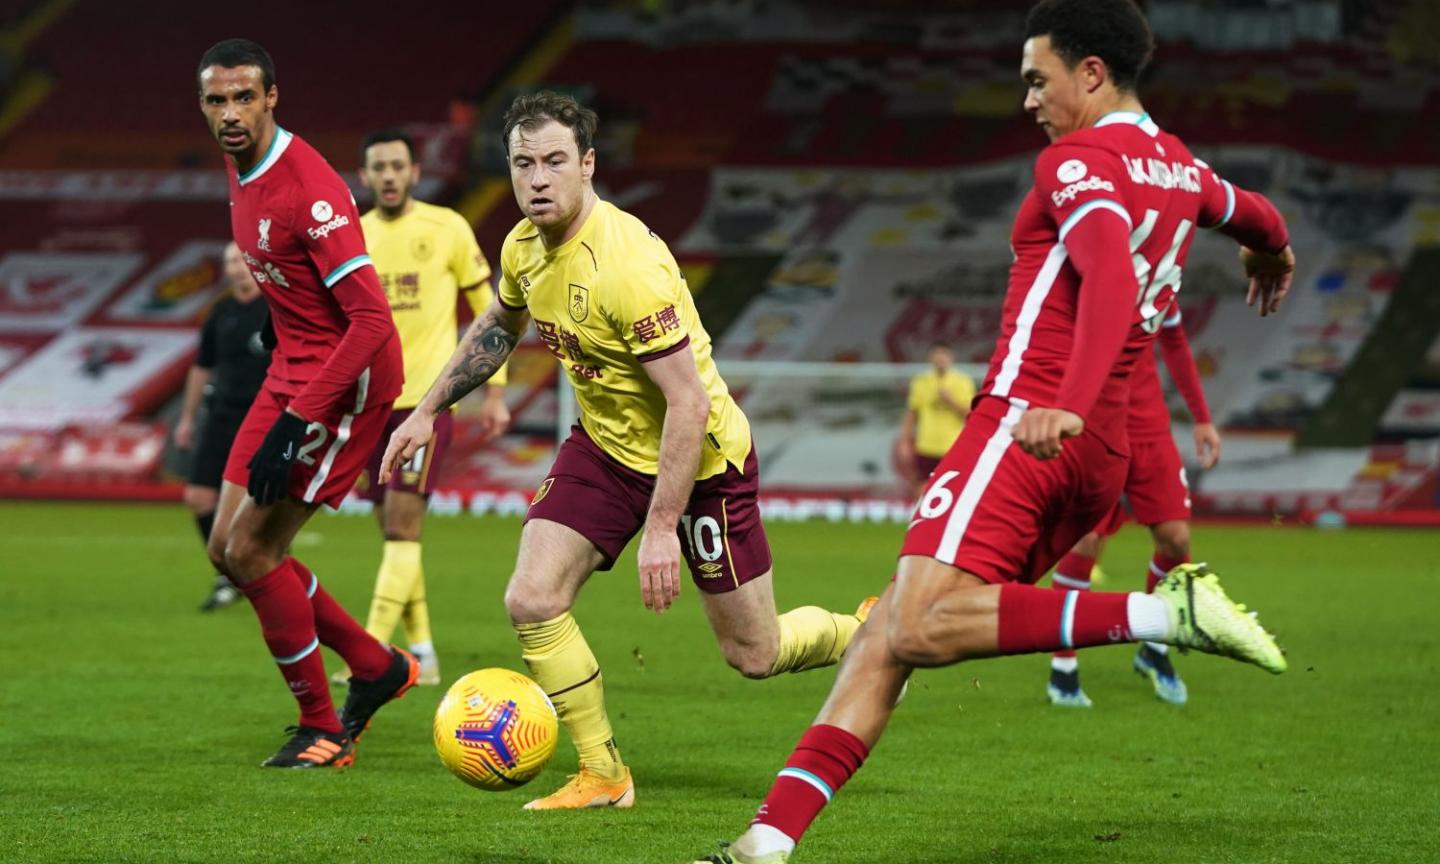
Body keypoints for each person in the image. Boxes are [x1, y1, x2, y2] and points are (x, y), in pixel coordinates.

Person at [691, 1, 1296, 860]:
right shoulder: (1182, 169)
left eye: (1036, 79)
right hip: (1099, 459)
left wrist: (1068, 399)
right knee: (887, 634)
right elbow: (1257, 212)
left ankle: (1165, 615)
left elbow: (1108, 281)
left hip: (1030, 427)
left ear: (1091, 73)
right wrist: (1270, 251)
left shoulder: (1078, 159)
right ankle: (767, 843)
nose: (1027, 100)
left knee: (917, 627)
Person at [383, 91, 874, 811]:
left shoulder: (626, 265)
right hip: (606, 450)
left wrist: (661, 529)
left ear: (587, 166)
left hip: (701, 462)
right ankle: (603, 773)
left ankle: (868, 631)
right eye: (524, 164)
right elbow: (497, 325)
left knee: (754, 654)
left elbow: (689, 402)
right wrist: (427, 409)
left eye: (554, 162)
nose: (538, 179)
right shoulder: (522, 246)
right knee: (532, 596)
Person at [196, 38, 418, 769]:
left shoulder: (308, 187)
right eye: (216, 100)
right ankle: (377, 666)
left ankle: (323, 726)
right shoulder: (241, 168)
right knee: (227, 550)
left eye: (243, 98)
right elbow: (293, 274)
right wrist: (281, 314)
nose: (229, 113)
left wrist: (296, 424)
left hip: (344, 385)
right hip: (291, 367)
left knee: (256, 550)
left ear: (271, 98)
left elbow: (371, 322)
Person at [328, 129, 512, 687]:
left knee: (404, 527)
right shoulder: (350, 238)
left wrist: (495, 390)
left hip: (425, 407)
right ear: (364, 176)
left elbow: (491, 307)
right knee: (393, 532)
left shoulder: (447, 227)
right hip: (369, 405)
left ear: (414, 172)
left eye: (397, 166)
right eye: (378, 167)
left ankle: (372, 654)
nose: (388, 175)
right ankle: (424, 654)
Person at [1047, 303, 1219, 707]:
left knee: (1176, 540)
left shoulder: (1160, 272)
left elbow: (1175, 343)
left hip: (1149, 428)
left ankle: (1154, 647)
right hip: (1094, 426)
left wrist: (1202, 417)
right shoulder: (1081, 277)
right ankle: (1063, 669)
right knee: (1085, 540)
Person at [174, 242, 270, 612]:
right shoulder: (221, 312)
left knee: (258, 504)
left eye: (242, 260)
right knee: (198, 496)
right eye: (230, 261)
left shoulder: (276, 309)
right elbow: (202, 366)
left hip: (264, 417)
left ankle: (263, 572)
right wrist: (186, 418)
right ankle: (227, 575)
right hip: (221, 415)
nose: (236, 267)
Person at [897, 342, 974, 498]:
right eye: (936, 354)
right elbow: (912, 413)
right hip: (926, 444)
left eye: (944, 354)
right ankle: (922, 521)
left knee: (954, 487)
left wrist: (951, 401)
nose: (940, 358)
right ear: (930, 357)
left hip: (953, 445)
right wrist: (904, 441)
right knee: (922, 486)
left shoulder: (963, 381)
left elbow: (970, 414)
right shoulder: (921, 381)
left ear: (951, 357)